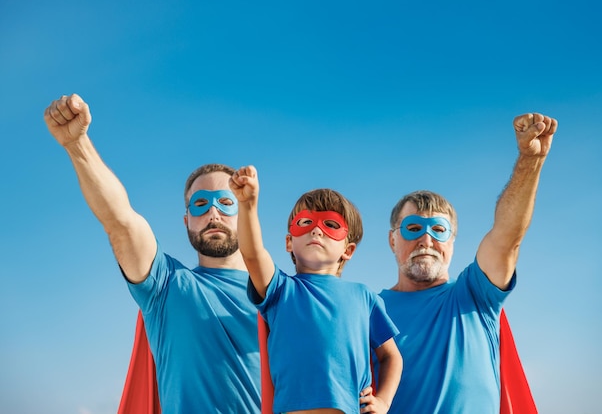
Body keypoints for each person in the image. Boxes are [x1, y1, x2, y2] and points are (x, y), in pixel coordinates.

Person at [43, 94, 261, 413]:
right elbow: (120, 221)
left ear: (245, 209)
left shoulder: (283, 296)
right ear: (186, 220)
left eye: (226, 202)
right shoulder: (166, 286)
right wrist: (78, 146)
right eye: (201, 203)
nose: (213, 212)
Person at [377, 113, 558, 413]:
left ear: (452, 242)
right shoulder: (368, 309)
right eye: (413, 229)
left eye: (438, 230)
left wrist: (530, 160)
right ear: (392, 240)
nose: (426, 240)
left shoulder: (475, 295)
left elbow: (507, 237)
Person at [229, 165, 403, 414]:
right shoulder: (280, 290)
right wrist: (247, 205)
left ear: (348, 250)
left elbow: (391, 356)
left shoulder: (364, 297)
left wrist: (384, 401)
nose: (317, 229)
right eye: (306, 222)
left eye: (331, 224)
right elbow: (252, 254)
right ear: (289, 242)